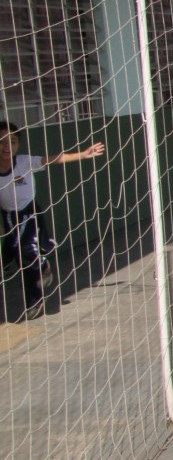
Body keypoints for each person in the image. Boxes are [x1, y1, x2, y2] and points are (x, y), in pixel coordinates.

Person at [0, 121, 105, 319]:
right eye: (2, 142)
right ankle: (35, 289)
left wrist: (83, 154)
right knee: (18, 256)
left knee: (25, 251)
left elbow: (53, 159)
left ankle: (41, 275)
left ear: (17, 145)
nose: (7, 147)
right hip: (8, 216)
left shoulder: (24, 162)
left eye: (11, 142)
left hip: (29, 212)